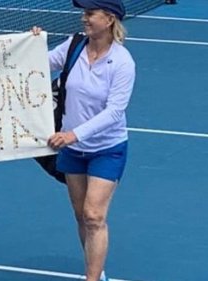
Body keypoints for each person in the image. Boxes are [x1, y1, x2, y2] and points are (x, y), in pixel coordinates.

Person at [33, 0, 135, 280]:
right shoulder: (74, 45)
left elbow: (114, 112)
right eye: (84, 13)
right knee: (81, 216)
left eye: (90, 13)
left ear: (110, 19)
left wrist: (73, 134)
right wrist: (31, 44)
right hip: (73, 151)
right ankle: (96, 271)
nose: (84, 18)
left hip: (107, 149)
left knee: (93, 215)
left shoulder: (122, 62)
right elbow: (40, 64)